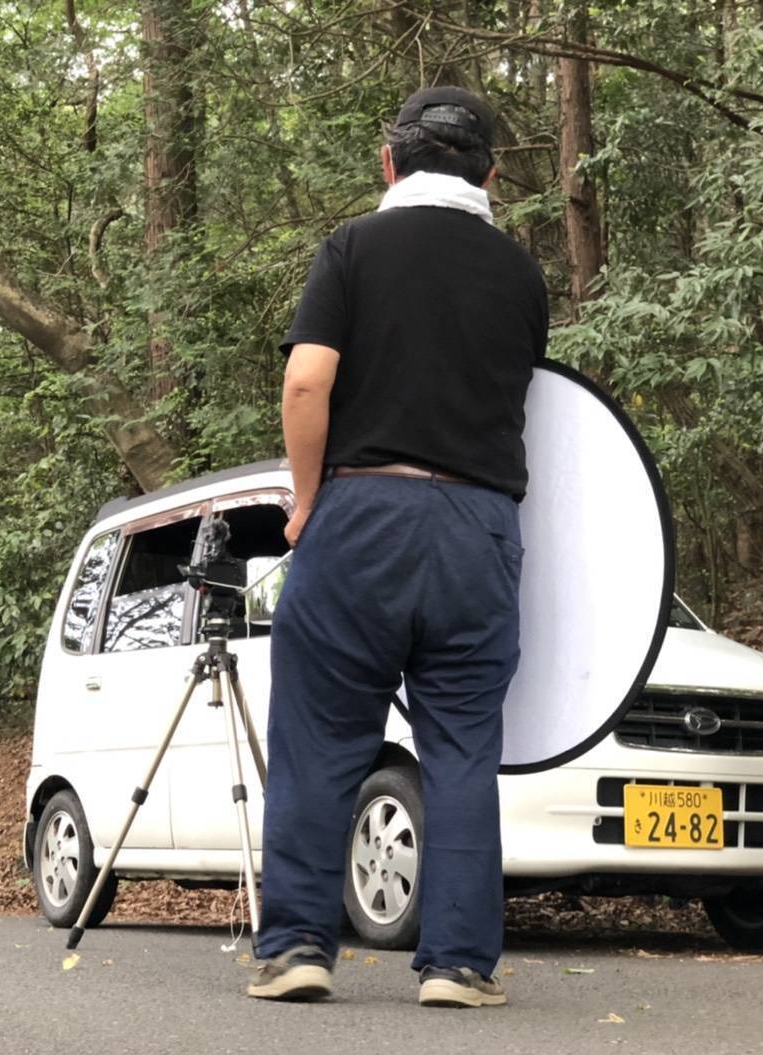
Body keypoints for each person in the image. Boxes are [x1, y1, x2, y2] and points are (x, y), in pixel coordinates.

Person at [248, 88, 547, 1006]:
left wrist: (308, 502)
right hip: (479, 528)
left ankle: (298, 949)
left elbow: (307, 383)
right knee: (461, 751)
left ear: (388, 162)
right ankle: (457, 964)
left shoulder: (353, 248)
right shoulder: (522, 276)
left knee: (320, 739)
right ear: (491, 174)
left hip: (362, 516)